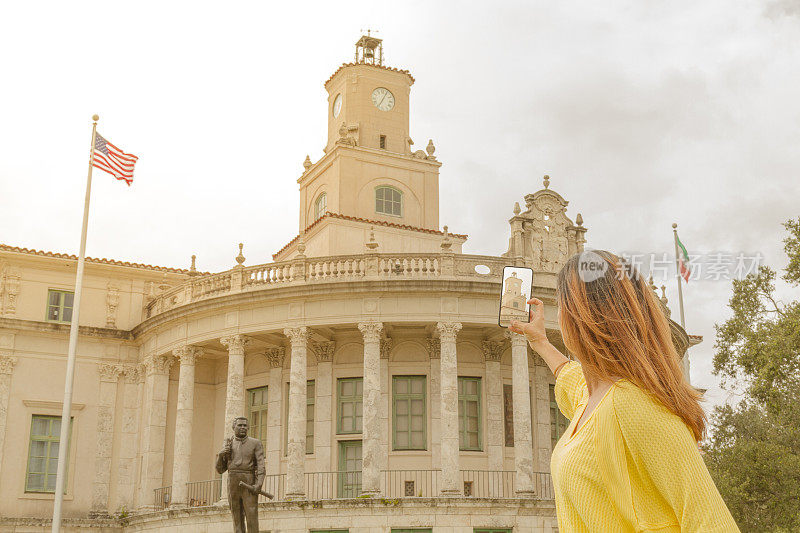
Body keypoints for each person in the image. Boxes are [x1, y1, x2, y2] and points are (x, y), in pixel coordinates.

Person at [509, 250, 739, 532]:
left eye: (562, 307)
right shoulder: (594, 398)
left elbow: (710, 522)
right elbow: (572, 380)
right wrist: (541, 342)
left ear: (581, 318)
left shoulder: (632, 403)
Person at [215, 417, 265, 533]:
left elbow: (261, 466)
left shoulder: (255, 443)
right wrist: (220, 455)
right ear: (234, 427)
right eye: (240, 425)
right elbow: (220, 470)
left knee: (252, 516)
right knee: (236, 517)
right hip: (233, 482)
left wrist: (259, 484)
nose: (243, 428)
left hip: (249, 481)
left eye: (245, 426)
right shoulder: (228, 444)